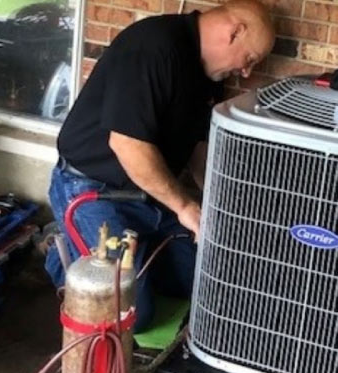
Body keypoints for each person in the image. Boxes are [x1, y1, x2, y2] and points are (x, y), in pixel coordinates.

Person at [44, 0, 275, 332]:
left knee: (204, 279)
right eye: (249, 59)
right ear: (234, 32)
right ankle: (62, 252)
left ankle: (132, 259)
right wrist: (183, 207)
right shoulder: (153, 47)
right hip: (92, 189)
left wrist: (221, 204)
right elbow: (127, 145)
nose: (246, 72)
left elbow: (198, 149)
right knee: (131, 313)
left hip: (148, 197)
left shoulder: (207, 74)